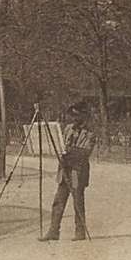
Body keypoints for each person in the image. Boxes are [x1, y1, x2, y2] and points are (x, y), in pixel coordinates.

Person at [40, 104, 97, 242]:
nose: (74, 119)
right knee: (58, 200)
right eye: (73, 116)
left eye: (77, 116)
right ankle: (53, 231)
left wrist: (68, 153)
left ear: (84, 116)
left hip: (76, 172)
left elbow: (84, 153)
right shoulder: (68, 129)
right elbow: (62, 146)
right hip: (64, 170)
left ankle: (80, 231)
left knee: (77, 200)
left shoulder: (90, 133)